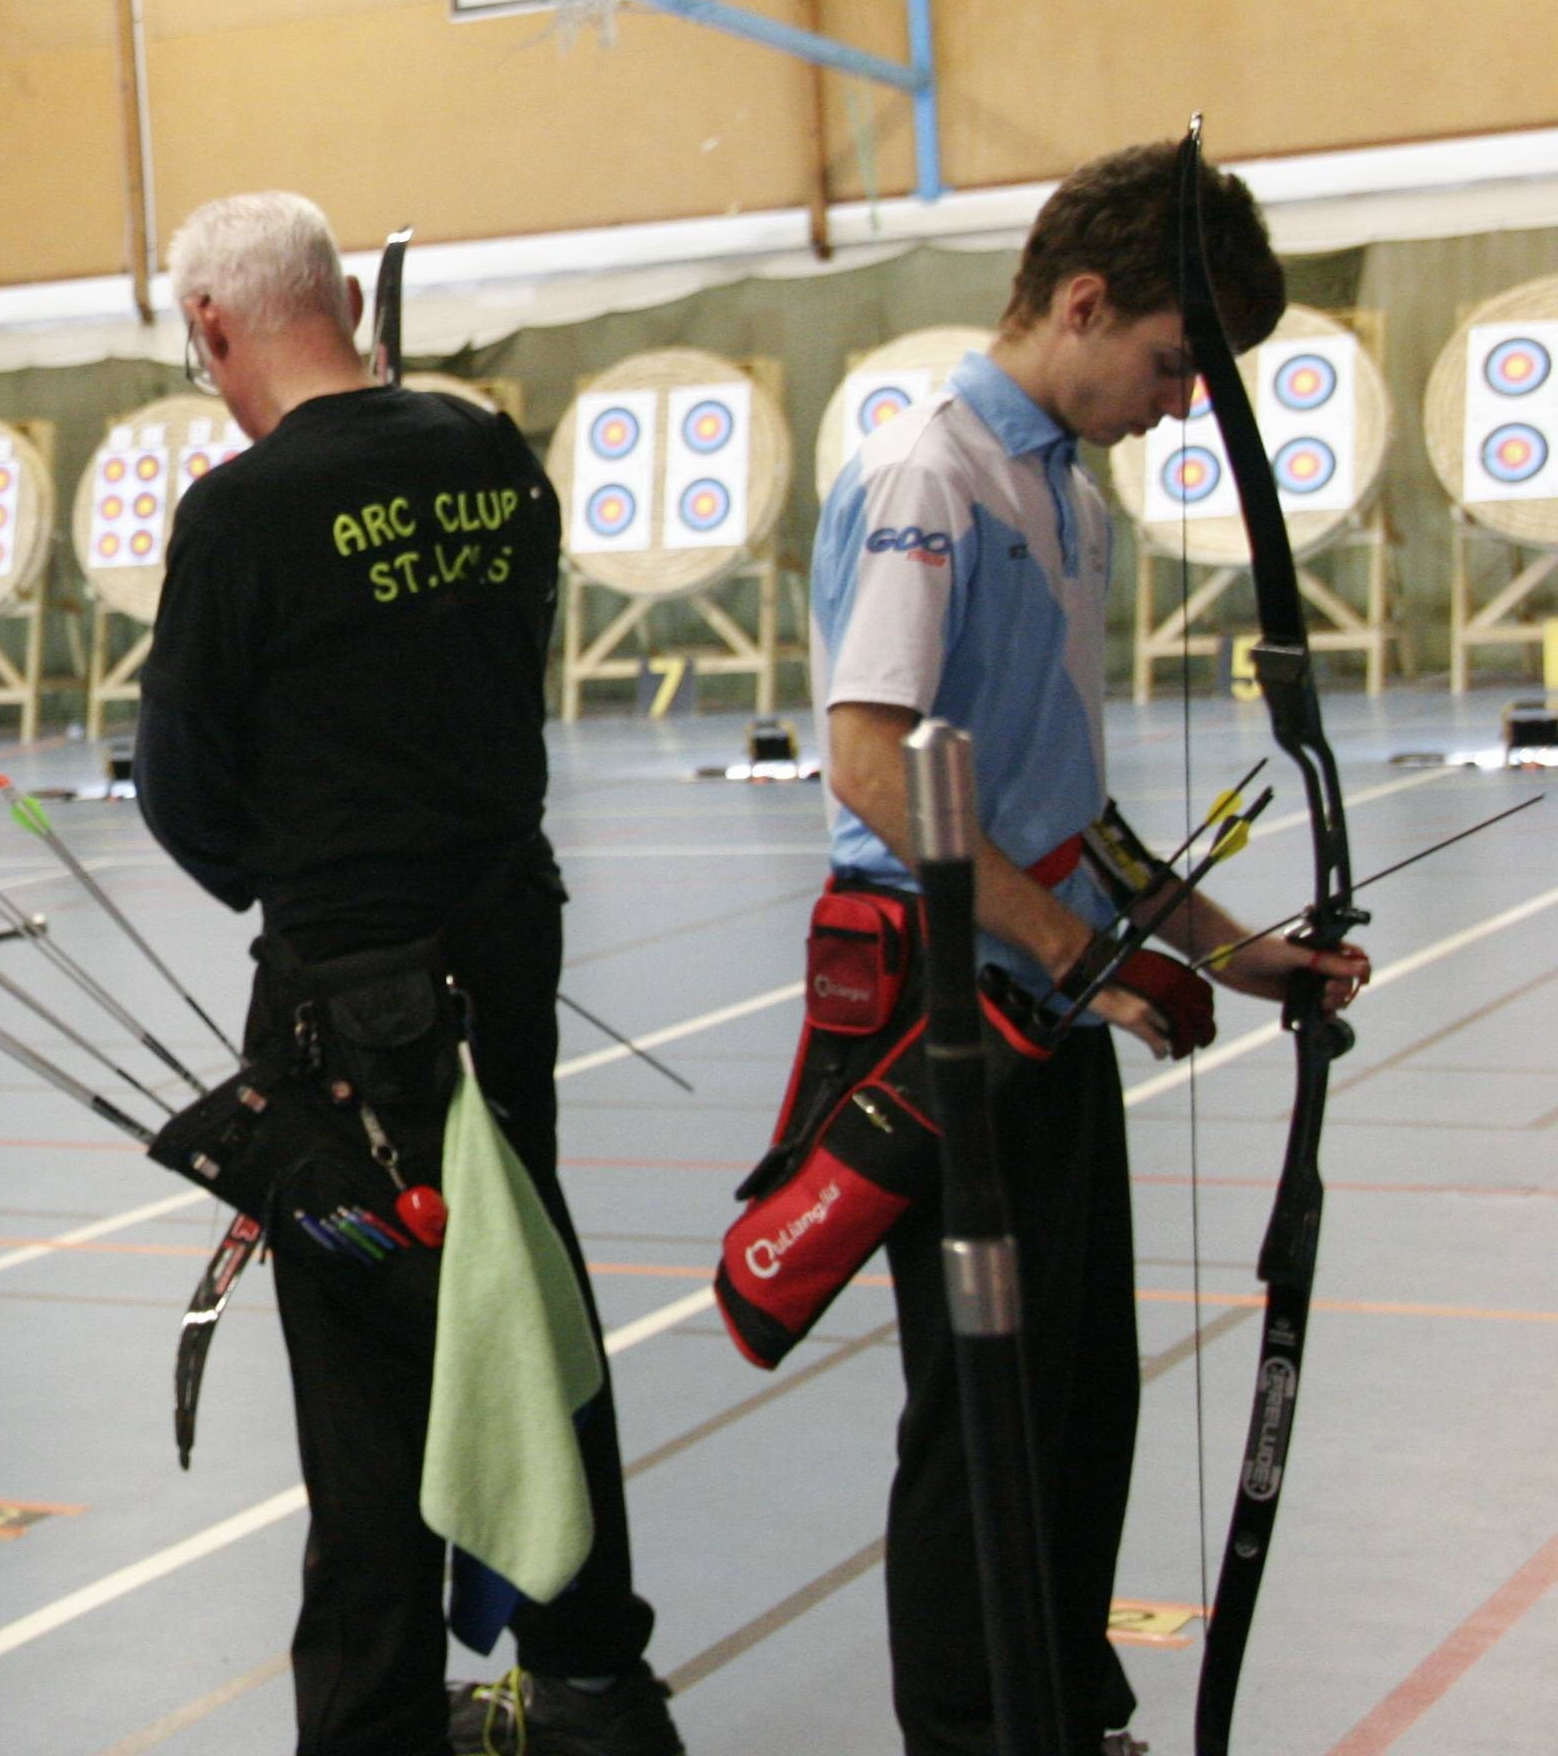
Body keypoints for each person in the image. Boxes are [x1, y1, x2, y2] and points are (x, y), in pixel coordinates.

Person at [808, 139, 1366, 1756]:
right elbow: (866, 758)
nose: (1181, 403)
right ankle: (974, 1731)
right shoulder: (934, 479)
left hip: (1028, 983)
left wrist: (1226, 948)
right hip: (930, 997)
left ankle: (1056, 1702)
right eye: (1170, 361)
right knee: (977, 1407)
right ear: (1078, 299)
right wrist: (1079, 951)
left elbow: (1064, 809)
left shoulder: (1051, 486)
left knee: (1070, 1386)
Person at [135, 191, 677, 1756]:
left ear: (221, 327)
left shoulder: (239, 513)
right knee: (529, 1303)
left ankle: (375, 1728)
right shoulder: (490, 452)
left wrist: (294, 876)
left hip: (345, 1006)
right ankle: (595, 1684)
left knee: (374, 1376)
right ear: (346, 309)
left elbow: (183, 786)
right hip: (504, 960)